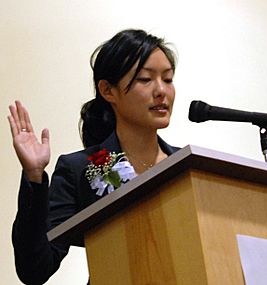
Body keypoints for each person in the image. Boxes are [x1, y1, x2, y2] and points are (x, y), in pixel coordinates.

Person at [8, 29, 179, 284]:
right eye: (145, 79)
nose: (161, 91)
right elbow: (35, 270)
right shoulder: (81, 168)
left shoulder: (186, 166)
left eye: (167, 79)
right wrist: (34, 176)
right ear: (108, 91)